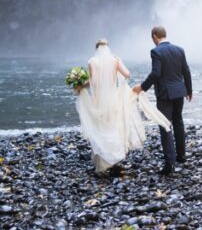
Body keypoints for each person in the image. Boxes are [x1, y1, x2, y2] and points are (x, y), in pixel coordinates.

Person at [75, 38, 169, 173]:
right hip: (113, 98)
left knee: (101, 128)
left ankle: (102, 162)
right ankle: (115, 160)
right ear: (108, 48)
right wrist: (119, 80)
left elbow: (92, 81)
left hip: (99, 99)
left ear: (97, 48)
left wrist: (80, 86)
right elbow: (127, 74)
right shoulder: (114, 60)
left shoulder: (92, 62)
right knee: (113, 127)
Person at [133, 26, 192, 175]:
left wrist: (142, 87)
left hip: (165, 94)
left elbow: (156, 73)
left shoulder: (156, 51)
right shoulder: (179, 49)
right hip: (180, 92)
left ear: (154, 36)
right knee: (178, 121)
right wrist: (189, 90)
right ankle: (181, 155)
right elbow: (186, 71)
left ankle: (169, 164)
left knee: (165, 126)